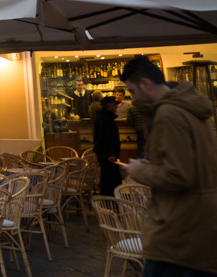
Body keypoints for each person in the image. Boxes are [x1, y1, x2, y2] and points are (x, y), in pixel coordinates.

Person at [122, 56, 217, 277]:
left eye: (132, 91)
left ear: (146, 84)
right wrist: (155, 164)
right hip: (198, 227)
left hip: (177, 232)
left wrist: (139, 170)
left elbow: (179, 176)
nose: (133, 99)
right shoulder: (190, 108)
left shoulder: (168, 113)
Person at [92, 95, 121, 196]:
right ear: (109, 105)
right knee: (110, 179)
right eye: (115, 104)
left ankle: (109, 201)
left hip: (106, 154)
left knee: (109, 178)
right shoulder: (105, 118)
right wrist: (110, 153)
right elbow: (104, 137)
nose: (116, 106)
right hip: (107, 155)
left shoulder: (104, 116)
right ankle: (109, 201)